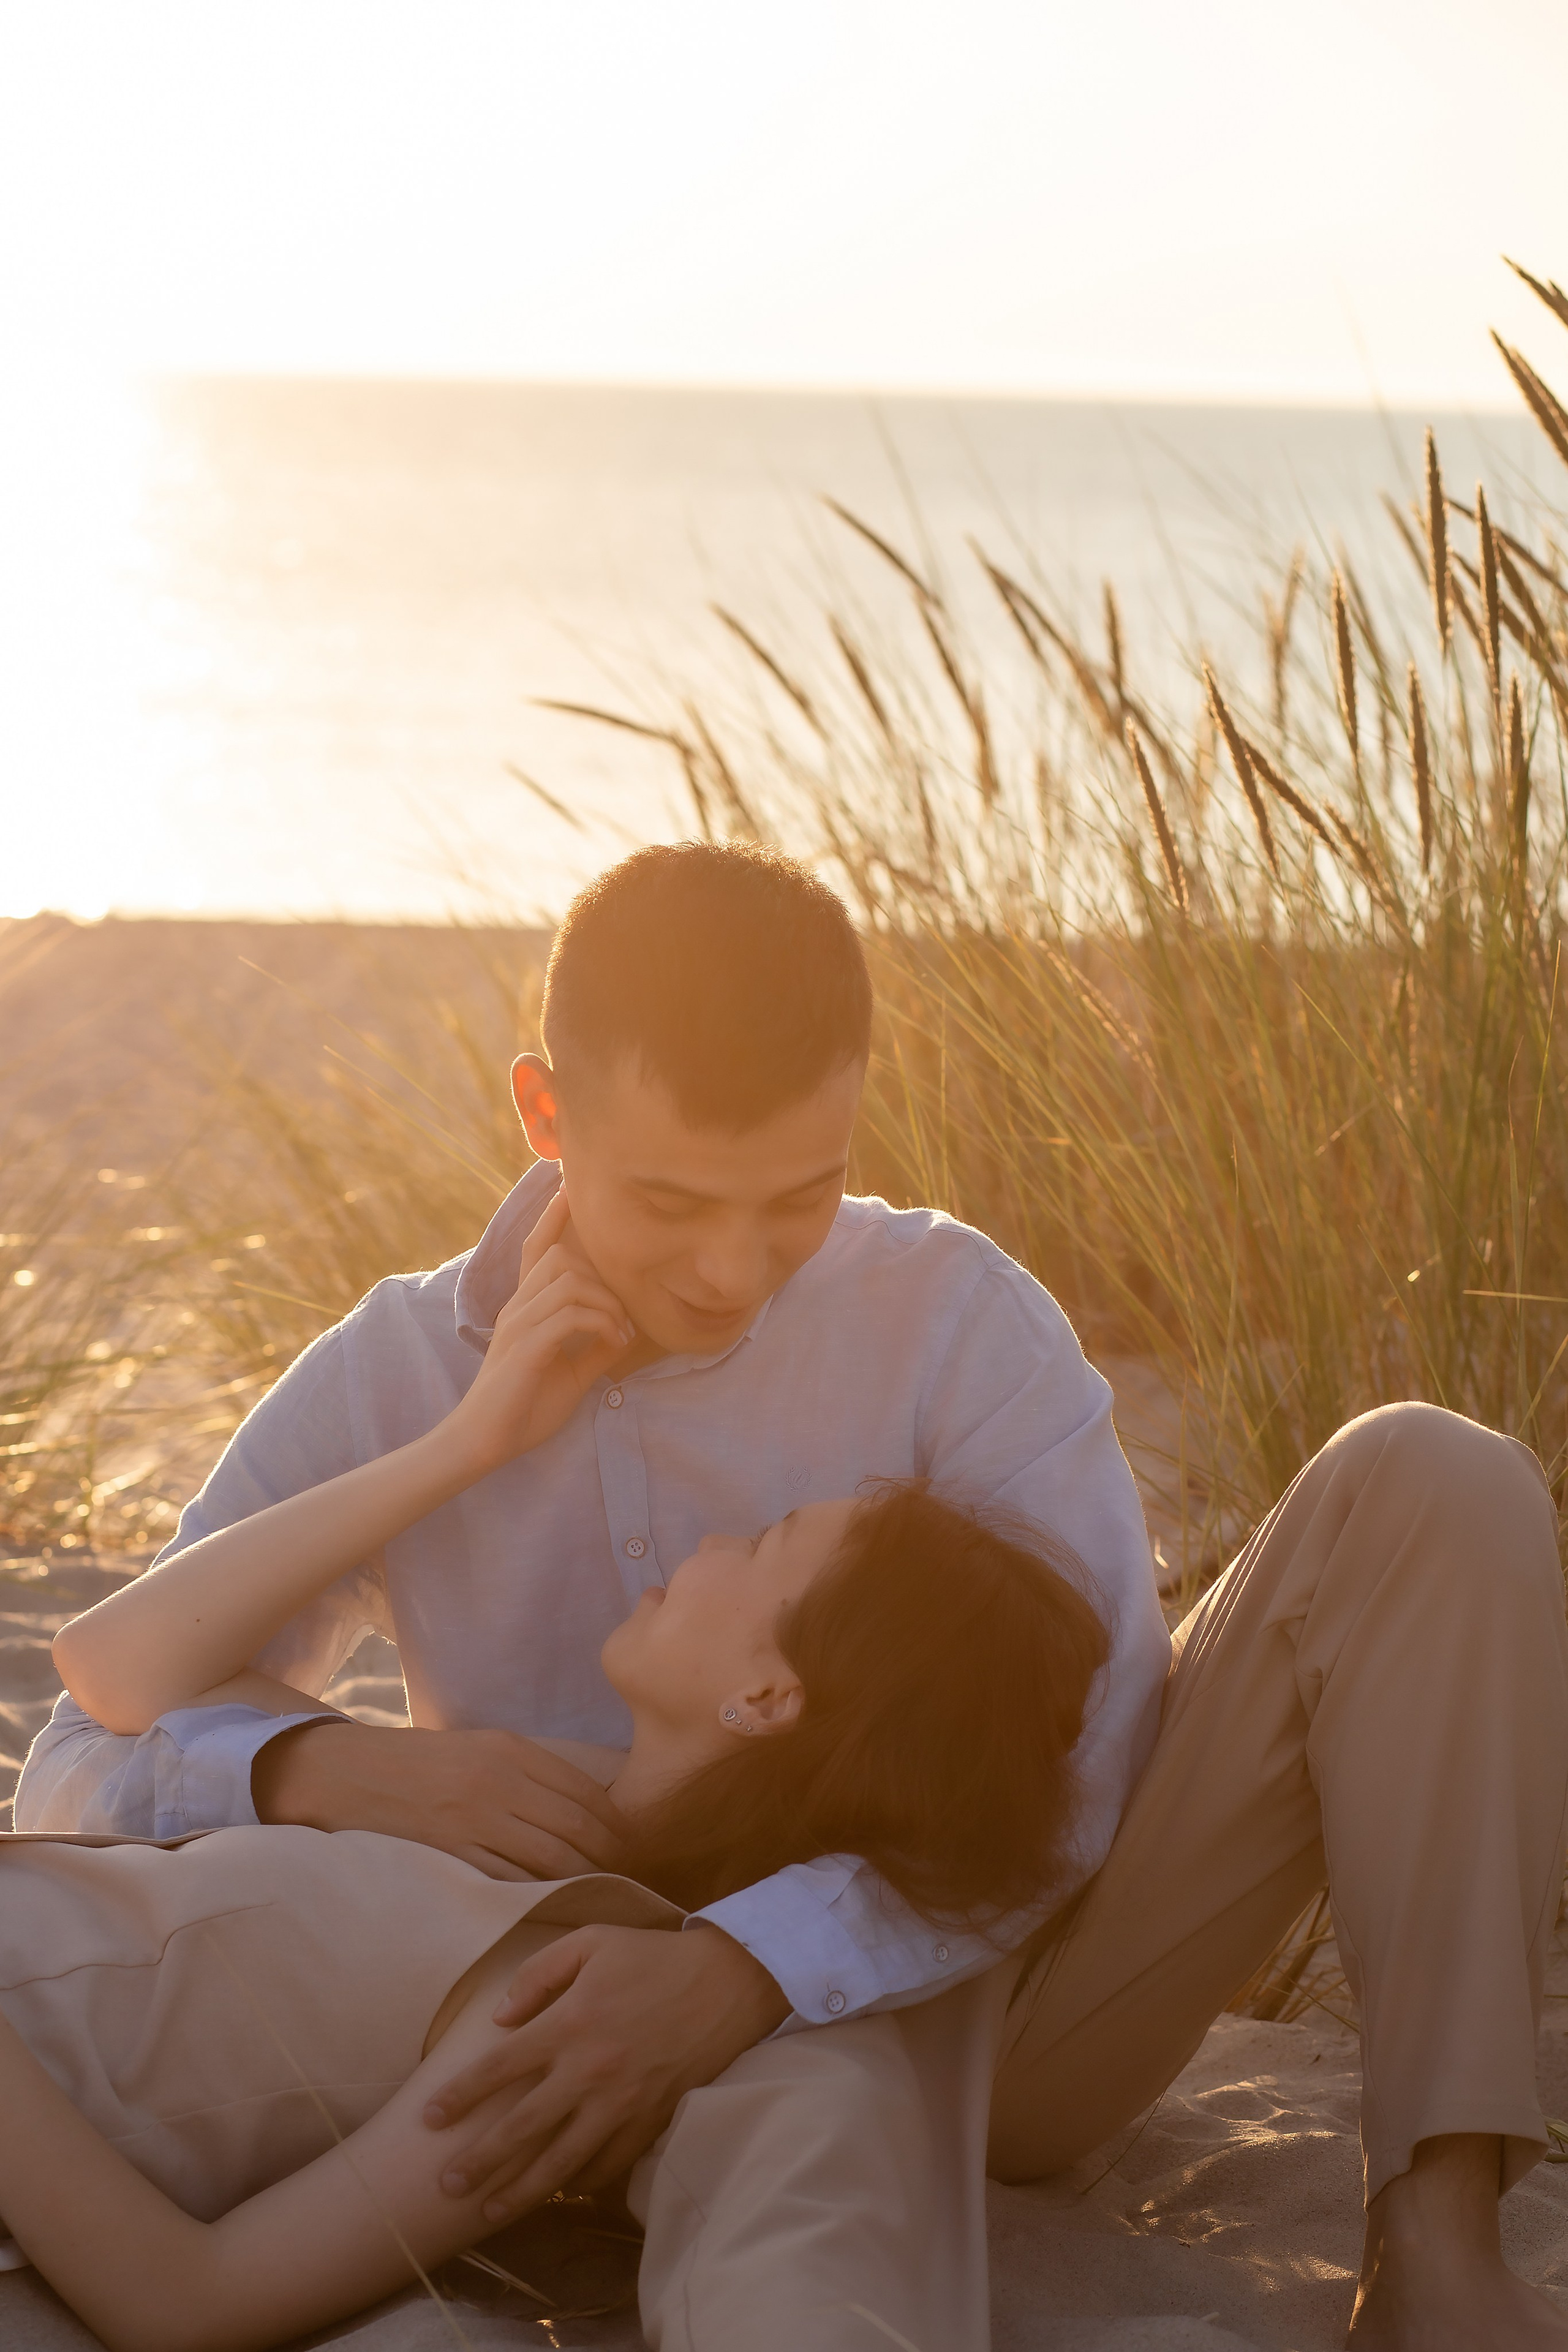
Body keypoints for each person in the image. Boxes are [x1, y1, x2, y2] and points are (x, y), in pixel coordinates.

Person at [18, 841, 1568, 2350]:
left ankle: (1432, 2252)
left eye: (799, 1196)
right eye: (675, 1201)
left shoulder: (952, 1316)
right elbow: (84, 1747)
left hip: (1001, 1995)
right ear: (543, 1113)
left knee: (1431, 1477)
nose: (733, 1268)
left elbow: (1083, 1752)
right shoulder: (398, 1372)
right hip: (552, 2002)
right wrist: (317, 1760)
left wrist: (748, 1964)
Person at [4, 1258, 1104, 2352]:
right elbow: (110, 1664)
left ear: (769, 1697)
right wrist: (469, 1442)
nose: (715, 1540)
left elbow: (191, 2301)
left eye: (763, 1546)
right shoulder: (502, 1787)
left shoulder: (566, 2009)